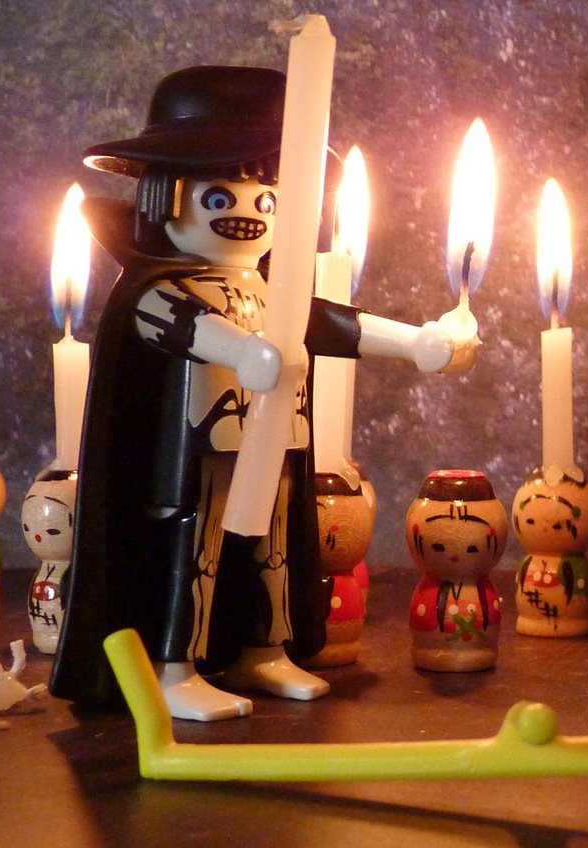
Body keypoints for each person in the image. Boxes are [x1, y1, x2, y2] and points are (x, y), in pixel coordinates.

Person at [50, 65, 476, 719]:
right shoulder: (155, 289)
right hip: (197, 454)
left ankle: (264, 649)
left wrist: (418, 342)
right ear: (166, 196)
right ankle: (174, 665)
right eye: (220, 197)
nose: (248, 212)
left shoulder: (270, 290)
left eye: (267, 197)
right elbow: (189, 328)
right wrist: (245, 351)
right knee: (195, 550)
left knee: (273, 551)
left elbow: (334, 324)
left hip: (274, 443)